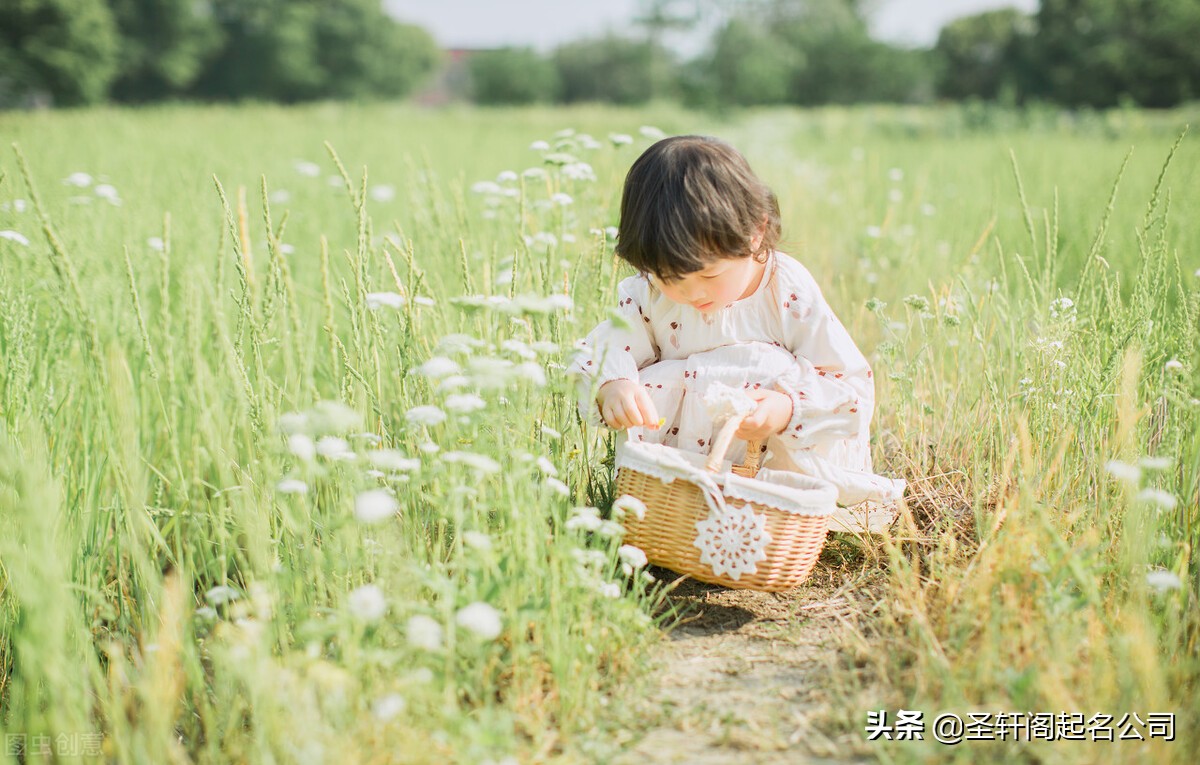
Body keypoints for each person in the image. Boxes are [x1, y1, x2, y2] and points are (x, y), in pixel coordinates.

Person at [571, 135, 904, 533]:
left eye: (709, 275)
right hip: (680, 481)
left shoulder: (786, 289)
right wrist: (613, 385)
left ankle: (773, 518)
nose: (690, 293)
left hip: (774, 475)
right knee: (640, 379)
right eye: (668, 278)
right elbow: (607, 347)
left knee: (771, 369)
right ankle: (681, 511)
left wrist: (784, 409)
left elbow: (848, 384)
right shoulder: (649, 295)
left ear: (755, 234)